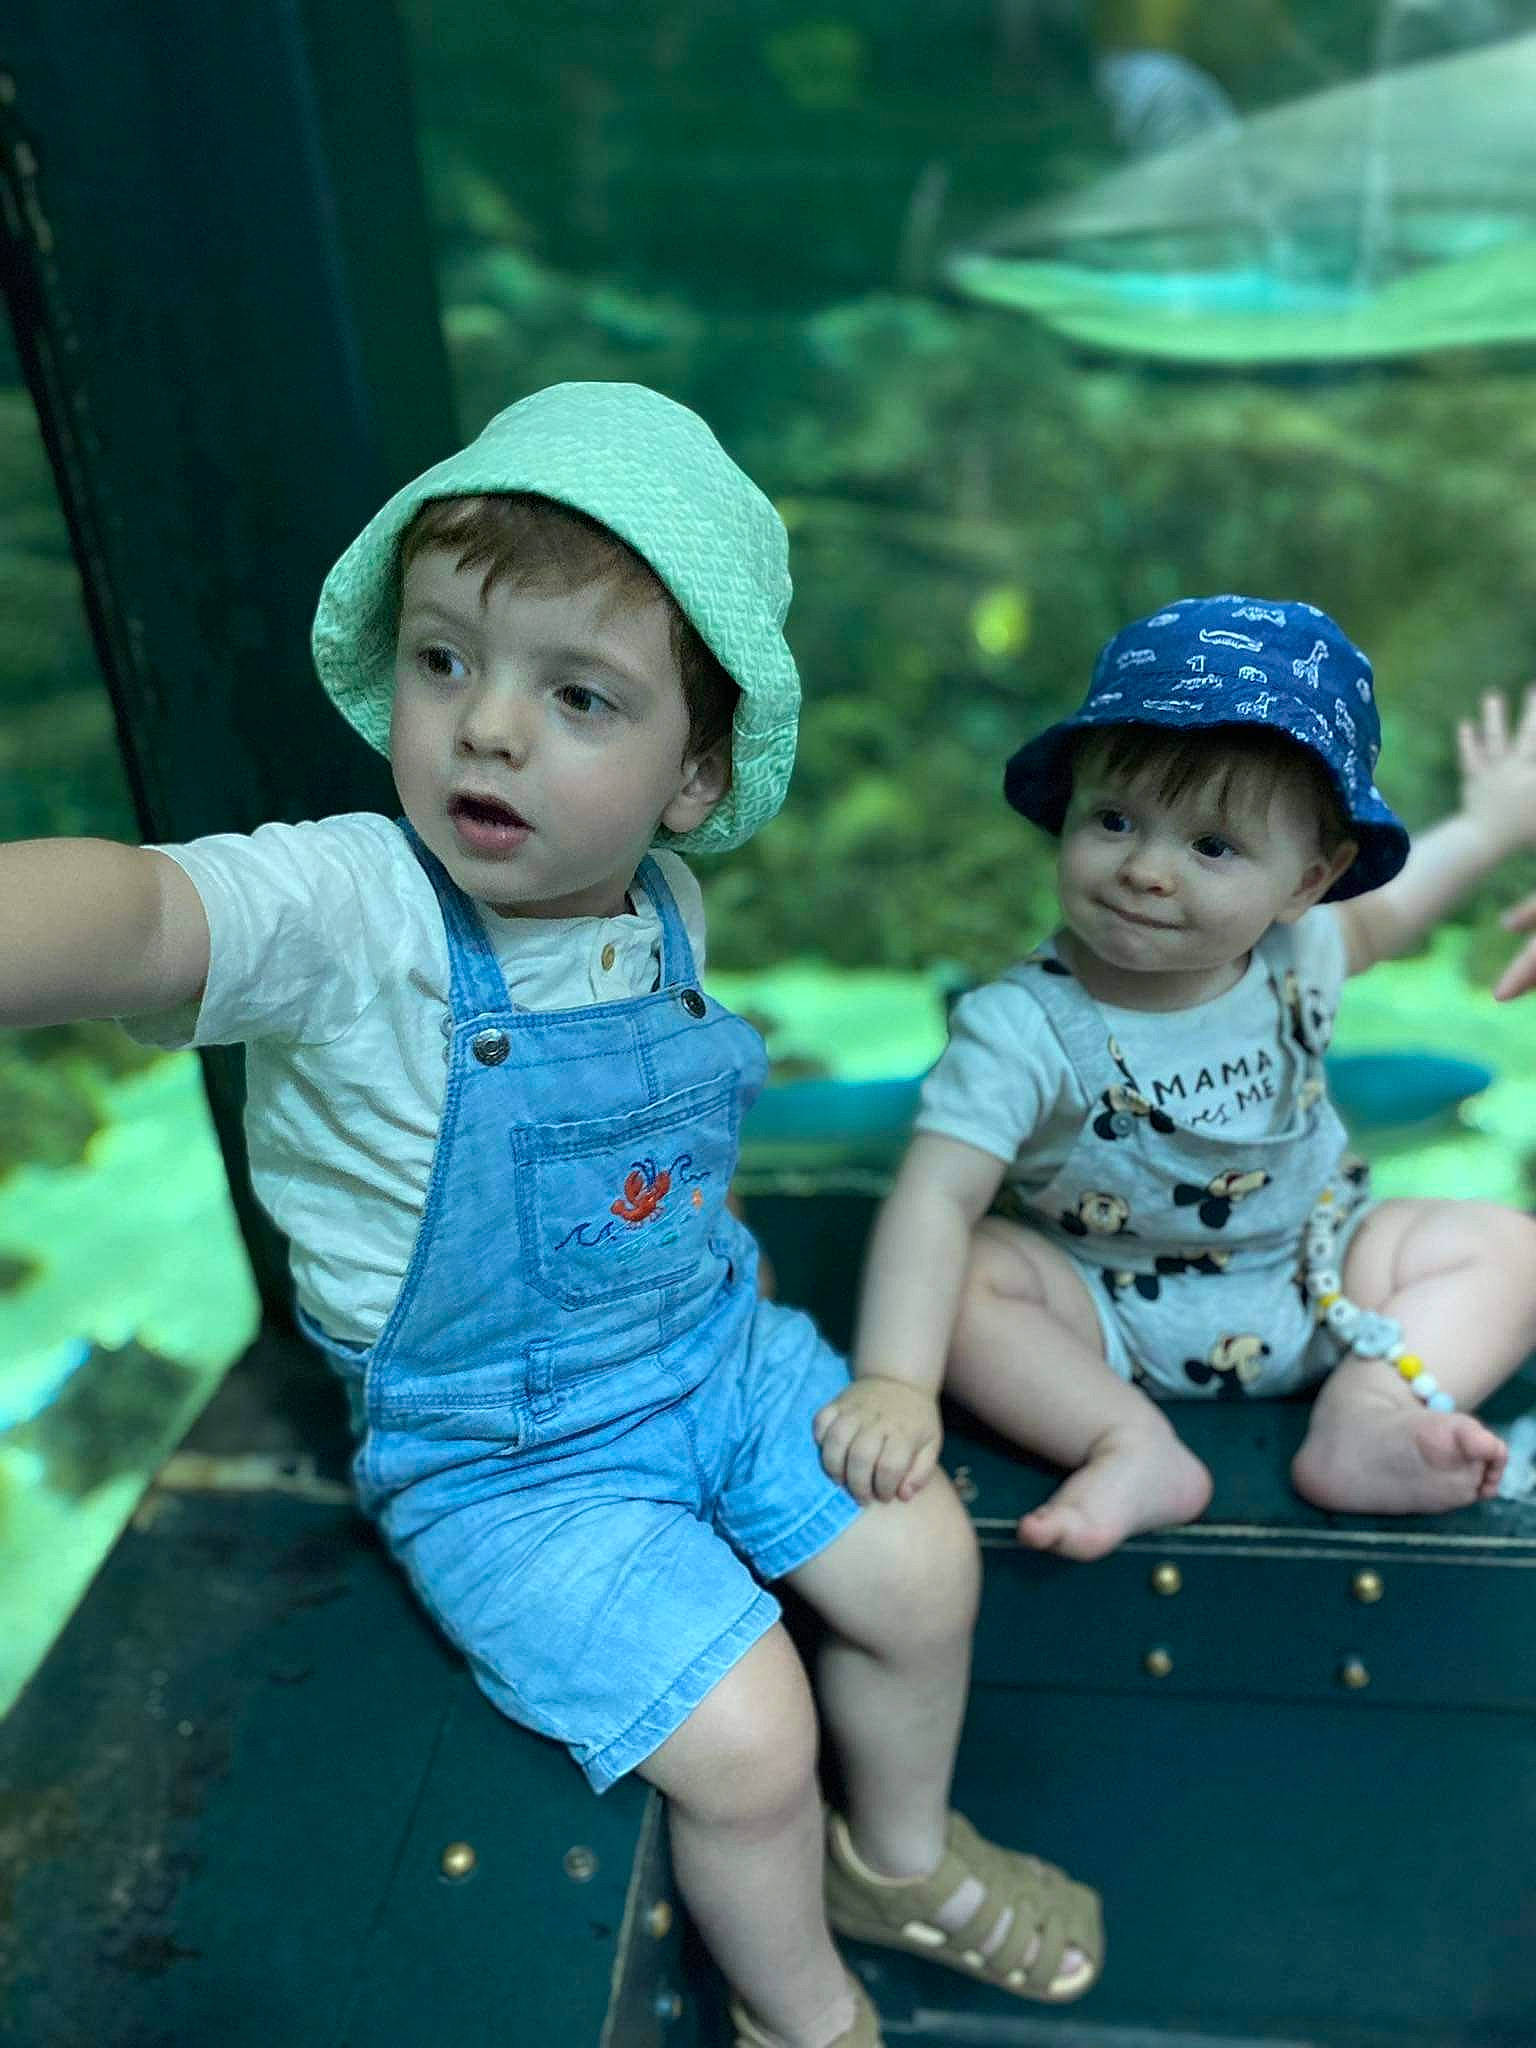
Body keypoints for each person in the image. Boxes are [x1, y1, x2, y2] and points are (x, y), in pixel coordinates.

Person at [0, 383, 1101, 2048]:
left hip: (709, 1344)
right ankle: (805, 2013)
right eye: (445, 660)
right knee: (744, 1742)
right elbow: (151, 912)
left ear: (693, 774)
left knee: (923, 1561)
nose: (488, 726)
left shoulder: (670, 899)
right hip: (505, 1453)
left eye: (577, 692)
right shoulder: (357, 907)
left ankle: (896, 1851)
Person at [815, 594, 1536, 1563]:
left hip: (1322, 1275)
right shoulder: (1021, 1027)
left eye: (1211, 845)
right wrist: (894, 1379)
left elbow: (1393, 915)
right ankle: (1128, 1441)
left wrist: (1489, 829)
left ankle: (1371, 1405)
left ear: (1306, 882)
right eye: (1114, 819)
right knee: (973, 1268)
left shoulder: (1300, 948)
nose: (1147, 869)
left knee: (1511, 1245)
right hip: (1104, 1317)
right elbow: (934, 1196)